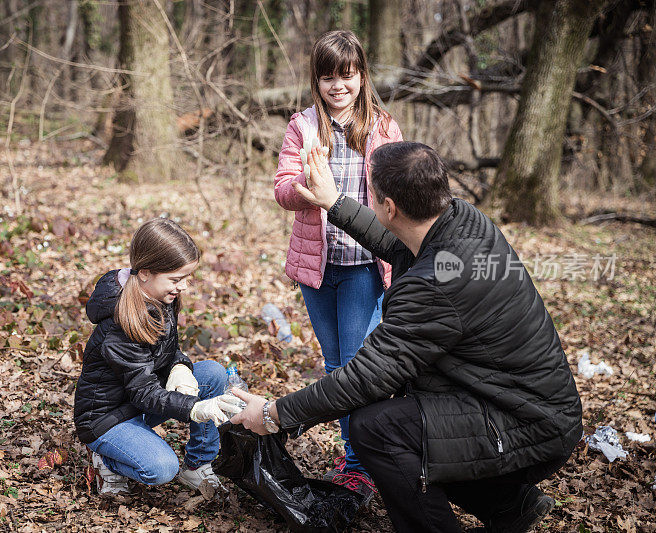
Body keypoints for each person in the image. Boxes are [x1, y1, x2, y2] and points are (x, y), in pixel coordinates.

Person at [232, 141, 583, 532]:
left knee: (378, 430)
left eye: (372, 194)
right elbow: (397, 247)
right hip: (522, 403)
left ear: (389, 207)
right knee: (406, 418)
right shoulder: (461, 221)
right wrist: (335, 202)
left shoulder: (436, 286)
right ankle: (508, 507)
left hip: (528, 423)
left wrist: (273, 415)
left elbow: (365, 377)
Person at [273, 29, 403, 496]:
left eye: (346, 76)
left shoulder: (383, 127)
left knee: (354, 365)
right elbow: (282, 189)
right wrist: (305, 182)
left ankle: (360, 463)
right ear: (317, 81)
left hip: (365, 267)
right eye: (328, 77)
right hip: (317, 267)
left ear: (362, 77)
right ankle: (355, 449)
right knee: (333, 366)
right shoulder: (303, 126)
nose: (337, 86)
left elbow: (398, 190)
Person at [73, 218, 242, 496]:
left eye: (187, 278)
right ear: (145, 273)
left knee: (211, 373)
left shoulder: (160, 296)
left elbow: (164, 351)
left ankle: (198, 464)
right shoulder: (121, 322)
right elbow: (143, 392)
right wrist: (193, 409)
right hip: (108, 417)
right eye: (176, 279)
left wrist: (179, 366)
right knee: (161, 469)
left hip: (138, 400)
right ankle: (107, 459)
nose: (184, 287)